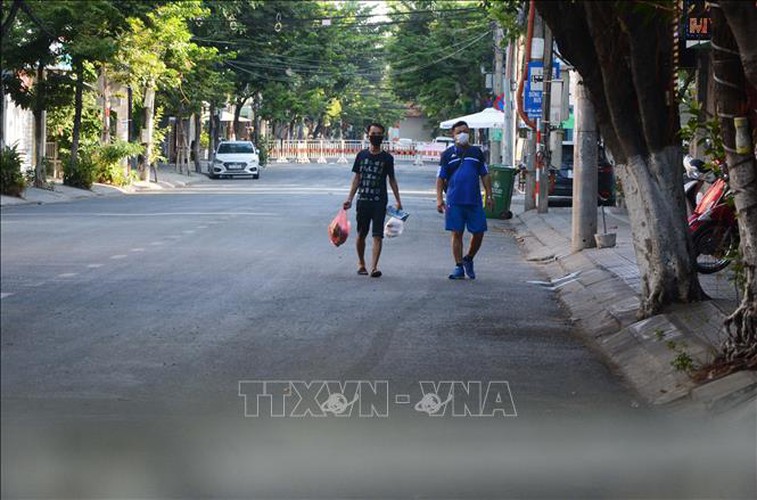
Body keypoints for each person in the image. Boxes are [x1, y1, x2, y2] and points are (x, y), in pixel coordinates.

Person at [343, 123, 402, 278]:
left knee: (377, 235)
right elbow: (357, 178)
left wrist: (398, 200)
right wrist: (349, 198)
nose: (375, 136)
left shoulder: (387, 158)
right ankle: (361, 263)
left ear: (382, 136)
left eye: (378, 134)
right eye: (373, 133)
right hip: (363, 200)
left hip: (379, 201)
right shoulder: (361, 155)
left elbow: (392, 180)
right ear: (368, 135)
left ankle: (374, 267)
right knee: (361, 233)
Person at [436, 121, 493, 280]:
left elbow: (485, 175)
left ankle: (469, 258)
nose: (463, 134)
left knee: (479, 231)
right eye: (460, 131)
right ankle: (458, 265)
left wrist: (489, 195)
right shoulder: (447, 154)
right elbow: (440, 178)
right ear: (453, 135)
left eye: (466, 131)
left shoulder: (477, 153)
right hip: (454, 200)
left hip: (474, 200)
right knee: (457, 233)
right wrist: (439, 199)